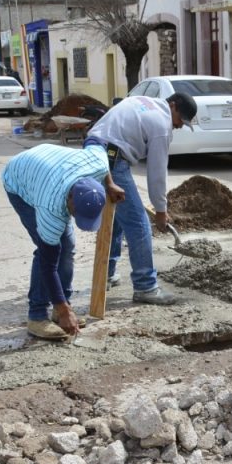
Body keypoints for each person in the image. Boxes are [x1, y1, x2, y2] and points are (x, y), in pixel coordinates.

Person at [83, 91, 198, 306]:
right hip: (112, 158)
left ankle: (107, 273)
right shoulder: (161, 125)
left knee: (116, 217)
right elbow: (157, 173)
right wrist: (161, 211)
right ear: (172, 106)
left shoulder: (144, 102)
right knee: (139, 224)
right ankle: (146, 286)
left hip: (94, 148)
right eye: (180, 121)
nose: (180, 126)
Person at [3, 143, 125, 339]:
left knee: (67, 247)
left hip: (51, 164)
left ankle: (62, 309)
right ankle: (37, 316)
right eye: (76, 214)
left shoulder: (99, 164)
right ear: (69, 199)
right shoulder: (51, 207)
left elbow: (98, 146)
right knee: (47, 250)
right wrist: (64, 310)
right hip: (19, 179)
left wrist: (109, 183)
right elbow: (48, 264)